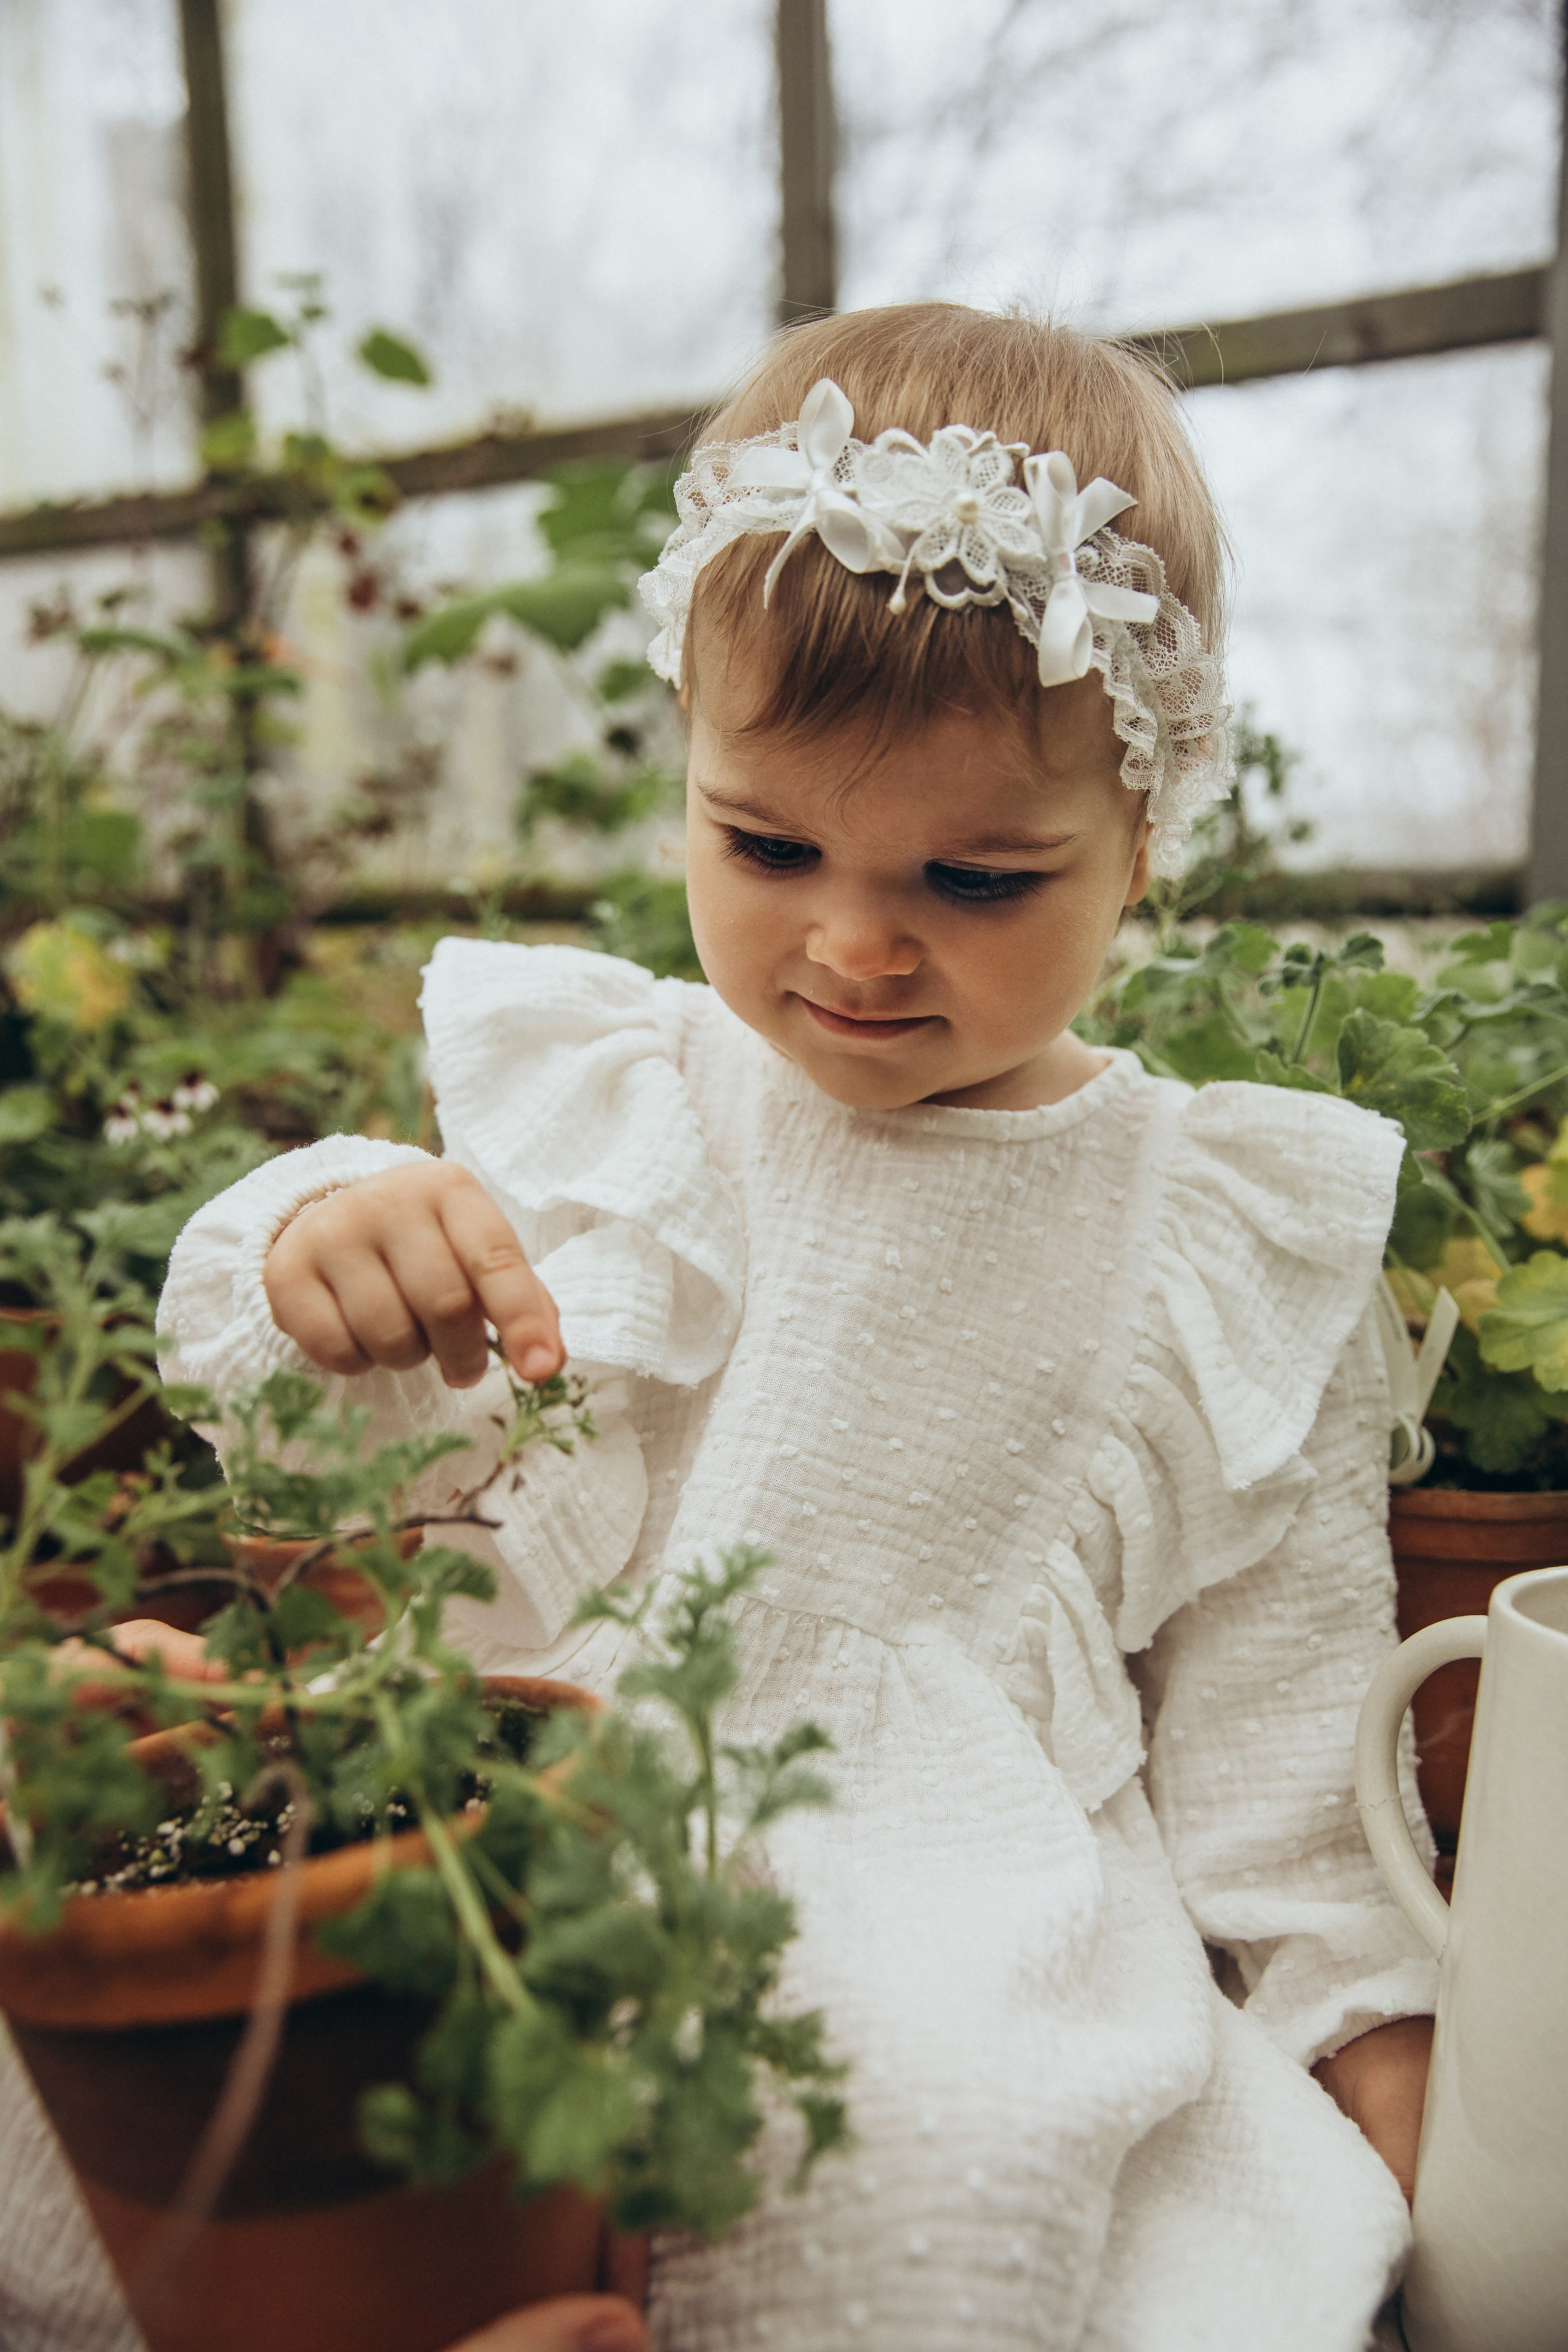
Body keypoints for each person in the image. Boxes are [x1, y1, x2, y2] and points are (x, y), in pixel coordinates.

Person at [151, 303, 1439, 2352]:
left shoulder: (1202, 1232)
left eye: (975, 877)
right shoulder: (630, 1092)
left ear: (1144, 843)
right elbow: (388, 1495)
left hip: (932, 1876)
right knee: (203, 2065)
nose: (850, 941)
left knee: (932, 2123)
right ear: (691, 767)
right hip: (535, 1776)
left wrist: (1379, 2048)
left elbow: (1286, 1745)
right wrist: (335, 1246)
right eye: (765, 846)